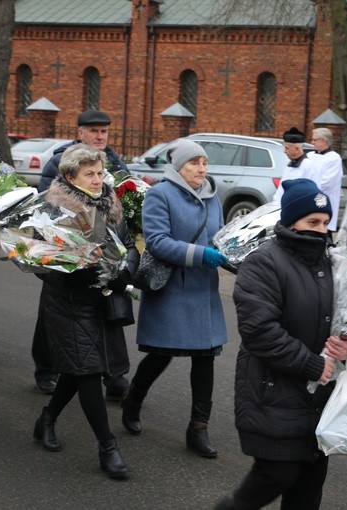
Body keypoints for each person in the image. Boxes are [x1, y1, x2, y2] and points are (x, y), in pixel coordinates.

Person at [216, 178, 347, 510]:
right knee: (276, 475)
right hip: (275, 394)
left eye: (326, 222)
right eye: (312, 222)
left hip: (319, 400)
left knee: (308, 491)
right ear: (291, 220)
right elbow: (259, 332)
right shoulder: (264, 263)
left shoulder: (333, 264)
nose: (321, 229)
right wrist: (313, 364)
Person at [32, 143, 138, 479]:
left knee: (79, 369)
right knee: (89, 371)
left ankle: (47, 419)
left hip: (100, 299)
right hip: (67, 301)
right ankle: (108, 447)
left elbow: (131, 244)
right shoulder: (53, 209)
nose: (96, 179)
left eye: (99, 172)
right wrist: (77, 268)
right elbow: (38, 257)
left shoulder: (111, 201)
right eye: (88, 174)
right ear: (69, 176)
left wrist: (124, 271)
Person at [121, 139, 228, 458]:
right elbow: (156, 242)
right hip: (172, 287)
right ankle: (132, 401)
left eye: (204, 163)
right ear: (178, 166)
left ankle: (198, 428)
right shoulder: (160, 194)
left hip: (203, 290)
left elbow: (220, 234)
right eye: (194, 162)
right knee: (161, 354)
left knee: (206, 356)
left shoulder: (213, 195)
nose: (201, 169)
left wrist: (229, 251)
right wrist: (200, 254)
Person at [32, 109, 130, 396]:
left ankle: (114, 376)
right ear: (80, 133)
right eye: (94, 131)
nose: (100, 136)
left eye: (104, 131)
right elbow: (46, 204)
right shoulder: (61, 161)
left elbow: (124, 197)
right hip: (66, 250)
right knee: (52, 312)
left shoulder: (115, 161)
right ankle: (46, 368)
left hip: (107, 248)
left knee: (109, 310)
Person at [307, 128, 342, 232]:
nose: (312, 142)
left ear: (324, 141)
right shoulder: (309, 156)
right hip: (308, 197)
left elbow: (327, 182)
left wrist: (308, 189)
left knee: (322, 227)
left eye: (314, 140)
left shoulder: (334, 158)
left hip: (324, 199)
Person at [273, 127, 319, 202]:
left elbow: (313, 192)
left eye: (286, 148)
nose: (284, 151)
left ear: (297, 149)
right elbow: (281, 190)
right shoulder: (289, 166)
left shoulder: (308, 166)